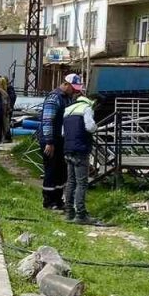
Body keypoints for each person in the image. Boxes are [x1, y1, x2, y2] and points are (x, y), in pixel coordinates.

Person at [40, 73, 81, 210]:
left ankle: (58, 200)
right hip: (51, 140)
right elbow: (47, 120)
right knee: (51, 170)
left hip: (61, 139)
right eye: (73, 88)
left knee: (61, 171)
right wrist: (49, 141)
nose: (75, 91)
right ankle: (48, 201)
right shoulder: (54, 98)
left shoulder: (68, 98)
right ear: (66, 84)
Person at [62, 92, 100, 225]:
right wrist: (96, 127)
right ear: (92, 101)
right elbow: (90, 127)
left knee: (71, 181)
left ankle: (68, 212)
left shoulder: (67, 110)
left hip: (67, 148)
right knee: (81, 183)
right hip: (81, 149)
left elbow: (63, 132)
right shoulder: (86, 108)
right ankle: (80, 214)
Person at [4, 76, 17, 142]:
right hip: (8, 109)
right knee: (6, 123)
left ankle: (8, 138)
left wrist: (10, 107)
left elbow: (12, 98)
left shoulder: (9, 89)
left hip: (8, 109)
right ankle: (6, 137)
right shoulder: (8, 89)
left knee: (6, 123)